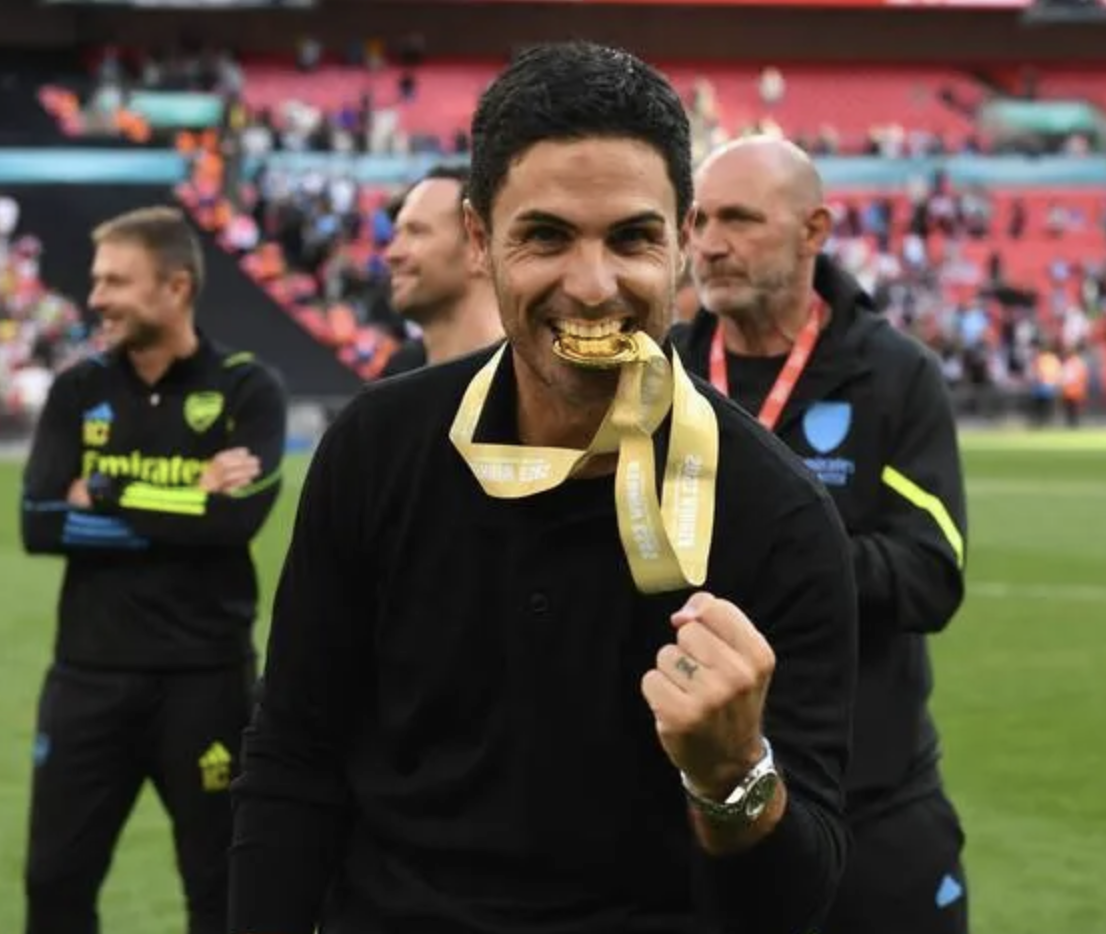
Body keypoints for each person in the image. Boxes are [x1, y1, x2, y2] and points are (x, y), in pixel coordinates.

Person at [229, 42, 857, 934]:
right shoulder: (377, 449)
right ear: (482, 241)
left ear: (682, 246)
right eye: (547, 236)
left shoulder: (779, 516)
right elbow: (293, 761)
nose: (593, 286)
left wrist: (733, 778)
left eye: (633, 238)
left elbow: (792, 905)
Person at [673, 136, 969, 934]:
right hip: (699, 809)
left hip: (870, 804)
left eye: (740, 219)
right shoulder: (664, 374)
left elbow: (931, 571)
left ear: (814, 230)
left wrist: (782, 554)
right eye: (698, 220)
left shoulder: (893, 374)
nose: (710, 244)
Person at [20, 205, 288, 934]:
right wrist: (186, 500)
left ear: (175, 288)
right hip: (87, 679)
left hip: (204, 682)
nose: (96, 296)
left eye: (115, 280)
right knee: (54, 883)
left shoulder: (245, 387)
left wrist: (104, 493)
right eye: (97, 280)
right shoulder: (78, 392)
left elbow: (236, 519)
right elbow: (39, 523)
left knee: (219, 886)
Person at [378, 164, 504, 377]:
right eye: (396, 235)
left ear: (479, 244)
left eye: (416, 232)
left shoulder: (535, 381)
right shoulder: (398, 373)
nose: (392, 254)